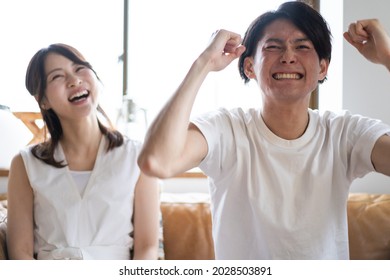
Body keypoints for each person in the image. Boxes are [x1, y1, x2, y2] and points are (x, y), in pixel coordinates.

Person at [138, 1, 390, 260]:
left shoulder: (344, 133)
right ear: (250, 67)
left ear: (322, 68)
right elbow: (156, 162)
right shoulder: (226, 129)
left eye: (302, 46)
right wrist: (203, 63)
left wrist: (388, 56)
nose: (288, 57)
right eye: (273, 47)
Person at [7, 43, 160, 260]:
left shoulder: (138, 156)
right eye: (57, 77)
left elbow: (147, 248)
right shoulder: (25, 164)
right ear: (43, 100)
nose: (74, 80)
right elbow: (20, 252)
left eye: (79, 68)